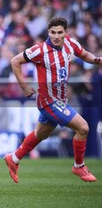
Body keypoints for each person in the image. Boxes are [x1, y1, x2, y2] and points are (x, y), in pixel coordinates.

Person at [5, 17, 100, 183]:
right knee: (83, 128)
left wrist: (96, 60)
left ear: (65, 33)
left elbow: (84, 54)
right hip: (48, 101)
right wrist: (24, 87)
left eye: (60, 32)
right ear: (48, 32)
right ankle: (79, 166)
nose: (56, 36)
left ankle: (13, 158)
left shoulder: (71, 43)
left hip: (61, 100)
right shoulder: (40, 50)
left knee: (40, 134)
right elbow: (15, 61)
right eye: (53, 32)